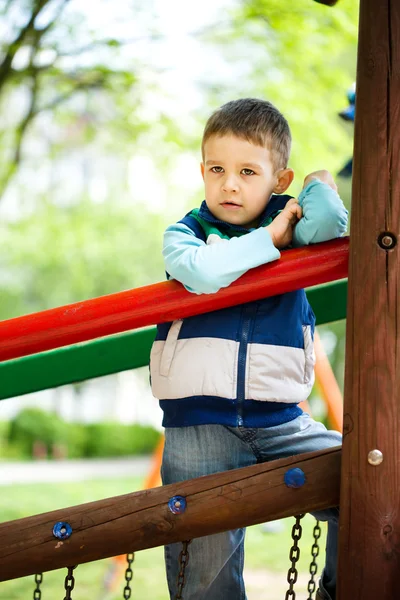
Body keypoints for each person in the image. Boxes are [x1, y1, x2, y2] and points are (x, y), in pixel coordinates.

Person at [150, 98, 348, 600]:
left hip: (281, 420)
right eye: (217, 169)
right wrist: (269, 239)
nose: (229, 184)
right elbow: (203, 272)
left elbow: (330, 227)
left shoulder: (295, 222)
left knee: (370, 487)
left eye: (247, 171)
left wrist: (319, 184)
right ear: (202, 171)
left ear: (279, 180)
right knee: (204, 570)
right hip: (199, 427)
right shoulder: (186, 234)